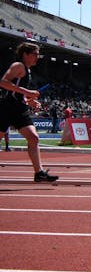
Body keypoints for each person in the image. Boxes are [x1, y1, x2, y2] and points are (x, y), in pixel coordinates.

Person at [0, 43, 58, 182]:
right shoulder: (18, 66)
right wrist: (28, 92)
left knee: (33, 138)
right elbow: (3, 82)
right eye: (35, 54)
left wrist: (28, 101)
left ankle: (39, 173)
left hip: (19, 109)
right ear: (25, 54)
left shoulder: (28, 70)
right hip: (6, 107)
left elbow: (16, 92)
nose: (37, 57)